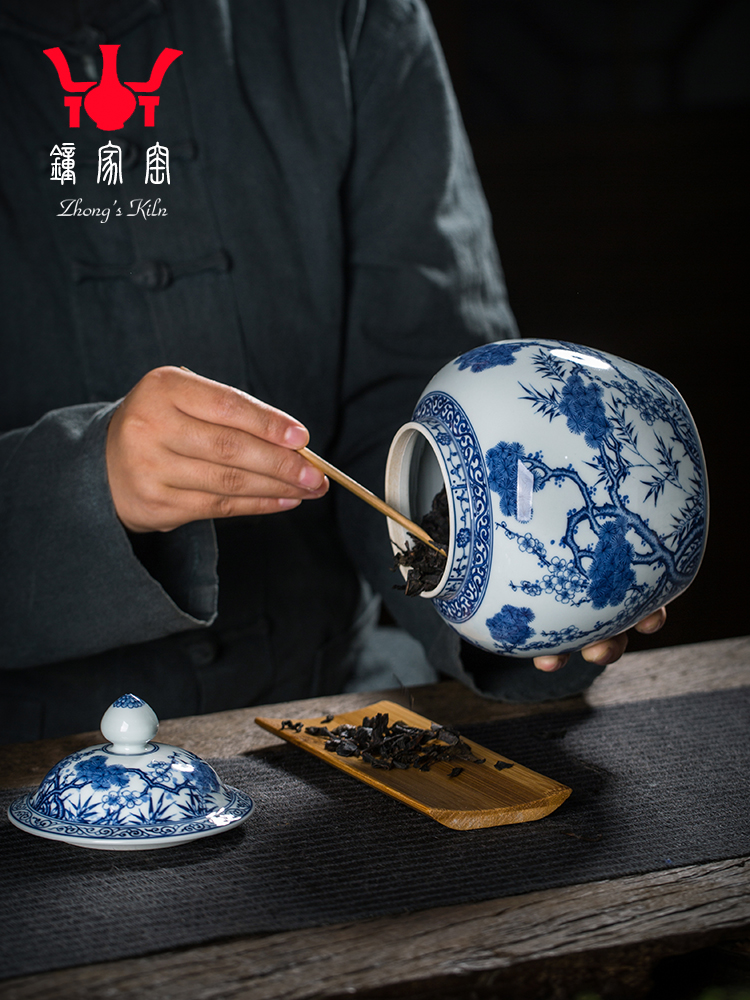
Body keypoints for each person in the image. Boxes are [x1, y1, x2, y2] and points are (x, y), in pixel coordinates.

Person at [0, 0, 664, 742]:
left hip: (327, 717)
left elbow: (421, 400)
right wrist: (84, 490)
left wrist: (514, 589)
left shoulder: (351, 14)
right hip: (28, 753)